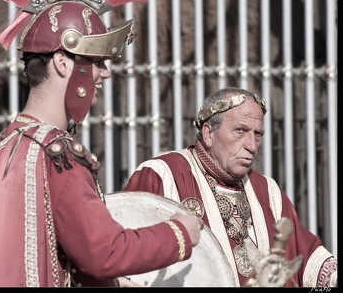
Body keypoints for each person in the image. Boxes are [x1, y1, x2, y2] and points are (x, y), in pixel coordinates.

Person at [0, 0, 204, 287]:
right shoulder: (59, 155)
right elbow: (103, 253)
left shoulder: (2, 145)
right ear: (62, 62)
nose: (104, 73)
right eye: (95, 60)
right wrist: (178, 234)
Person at [123, 86, 337, 287]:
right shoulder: (163, 175)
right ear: (208, 133)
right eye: (240, 131)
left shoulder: (267, 191)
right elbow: (123, 255)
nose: (251, 146)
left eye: (258, 134)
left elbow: (307, 257)